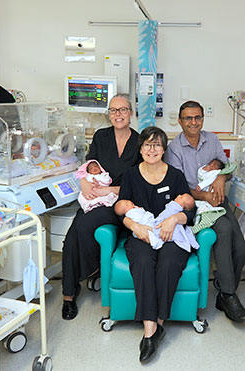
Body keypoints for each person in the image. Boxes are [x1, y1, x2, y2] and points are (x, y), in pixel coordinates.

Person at [113, 126, 196, 363]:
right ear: (140, 149)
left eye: (157, 145)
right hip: (141, 232)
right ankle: (150, 331)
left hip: (171, 232)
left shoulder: (176, 175)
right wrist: (135, 226)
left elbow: (190, 210)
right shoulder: (130, 176)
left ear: (164, 149)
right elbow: (120, 210)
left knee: (169, 262)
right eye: (147, 145)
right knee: (142, 261)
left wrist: (174, 219)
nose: (152, 149)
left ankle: (158, 323)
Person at [164, 100, 245, 322]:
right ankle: (229, 295)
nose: (193, 122)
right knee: (223, 231)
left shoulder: (211, 140)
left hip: (218, 201)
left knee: (240, 247)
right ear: (180, 121)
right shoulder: (174, 149)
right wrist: (205, 197)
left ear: (202, 119)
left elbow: (226, 167)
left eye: (197, 117)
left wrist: (221, 178)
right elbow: (178, 187)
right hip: (197, 205)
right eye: (188, 118)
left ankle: (224, 291)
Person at [60, 94, 141, 320]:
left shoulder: (139, 141)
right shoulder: (101, 136)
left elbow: (138, 182)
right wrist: (84, 182)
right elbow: (88, 164)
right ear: (109, 114)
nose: (118, 114)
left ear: (131, 113)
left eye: (123, 110)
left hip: (119, 202)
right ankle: (69, 294)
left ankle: (86, 271)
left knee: (84, 224)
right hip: (94, 196)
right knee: (72, 235)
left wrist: (109, 191)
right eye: (114, 110)